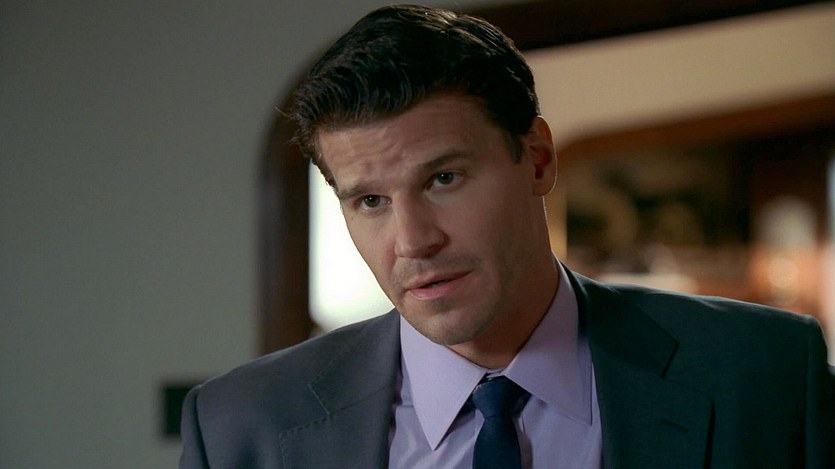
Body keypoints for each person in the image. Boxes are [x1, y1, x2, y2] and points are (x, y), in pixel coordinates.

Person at [179, 5, 834, 468]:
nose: (412, 241)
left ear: (538, 160)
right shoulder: (242, 425)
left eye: (443, 179)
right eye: (371, 200)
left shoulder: (765, 374)